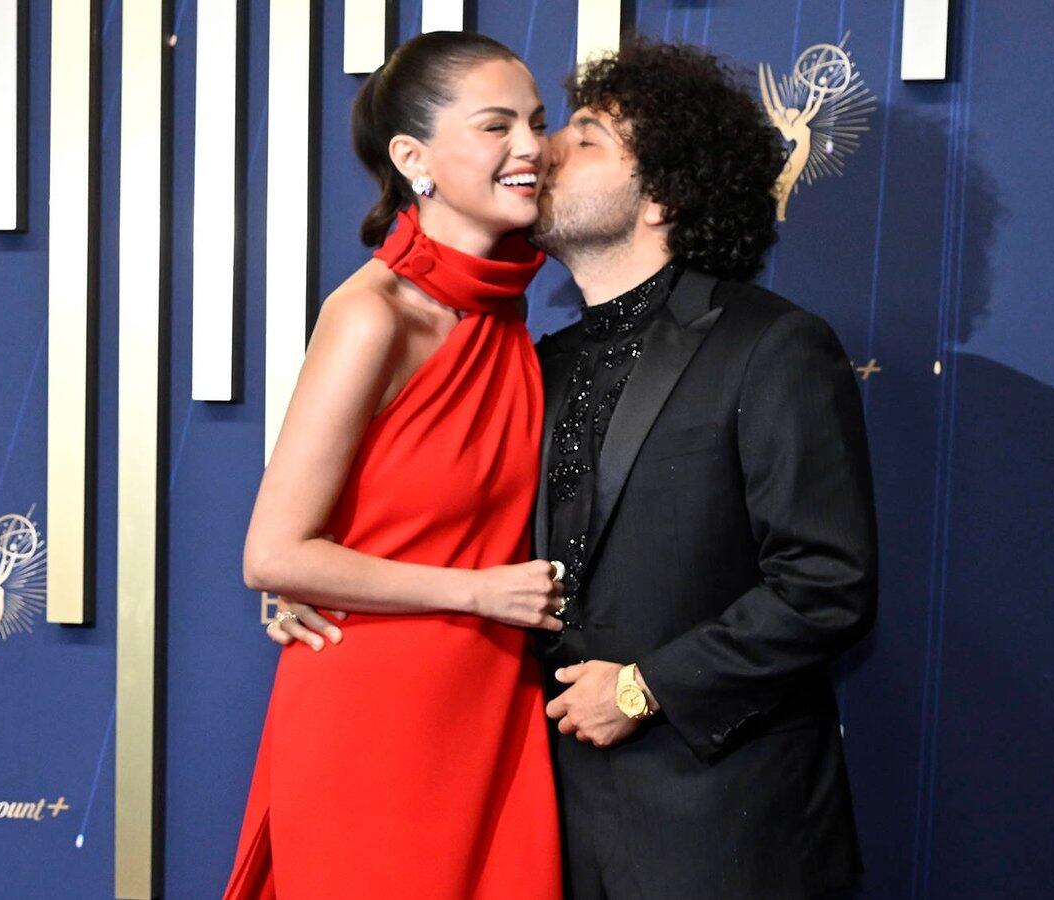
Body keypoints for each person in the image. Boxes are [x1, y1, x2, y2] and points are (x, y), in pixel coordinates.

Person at [277, 36, 879, 899]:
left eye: (584, 136)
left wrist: (644, 689)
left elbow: (827, 583)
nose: (543, 150)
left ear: (663, 195)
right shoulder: (531, 363)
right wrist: (319, 579)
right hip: (544, 822)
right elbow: (443, 522)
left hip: (722, 831)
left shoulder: (771, 345)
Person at [224, 31, 564, 899]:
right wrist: (478, 592)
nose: (531, 146)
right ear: (414, 159)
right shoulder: (373, 315)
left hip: (489, 698)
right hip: (378, 715)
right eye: (496, 126)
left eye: (537, 122)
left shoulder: (501, 312)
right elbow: (274, 554)